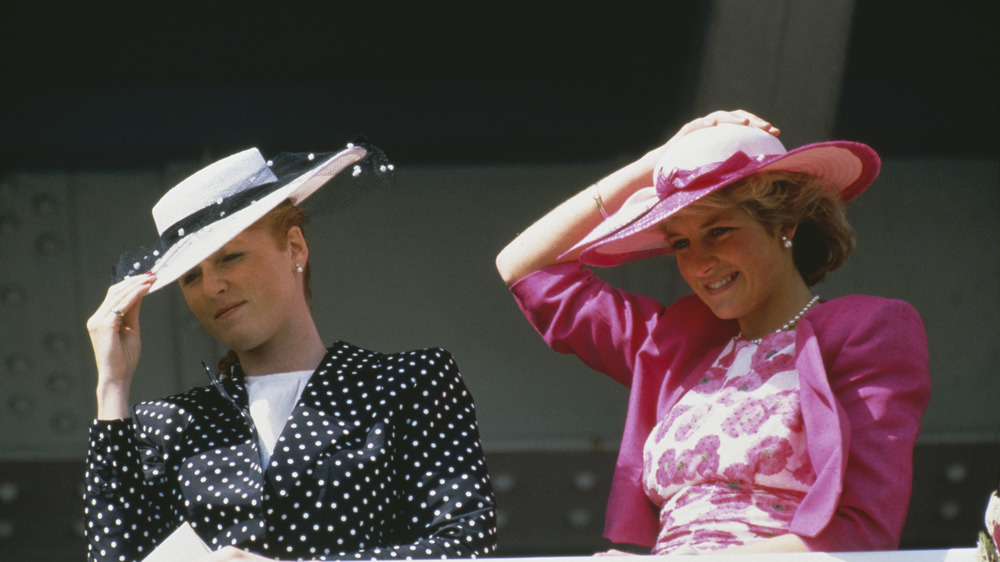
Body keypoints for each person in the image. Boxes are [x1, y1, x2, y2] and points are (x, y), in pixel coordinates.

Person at [495, 110, 931, 555]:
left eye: (718, 231)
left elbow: (864, 533)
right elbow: (525, 268)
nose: (699, 263)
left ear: (784, 224)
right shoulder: (672, 343)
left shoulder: (869, 331)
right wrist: (659, 161)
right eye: (680, 242)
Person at [84, 143, 497, 561]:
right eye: (191, 277)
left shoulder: (409, 384)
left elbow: (463, 546)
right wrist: (112, 387)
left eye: (230, 257)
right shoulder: (169, 425)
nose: (211, 287)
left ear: (295, 247)